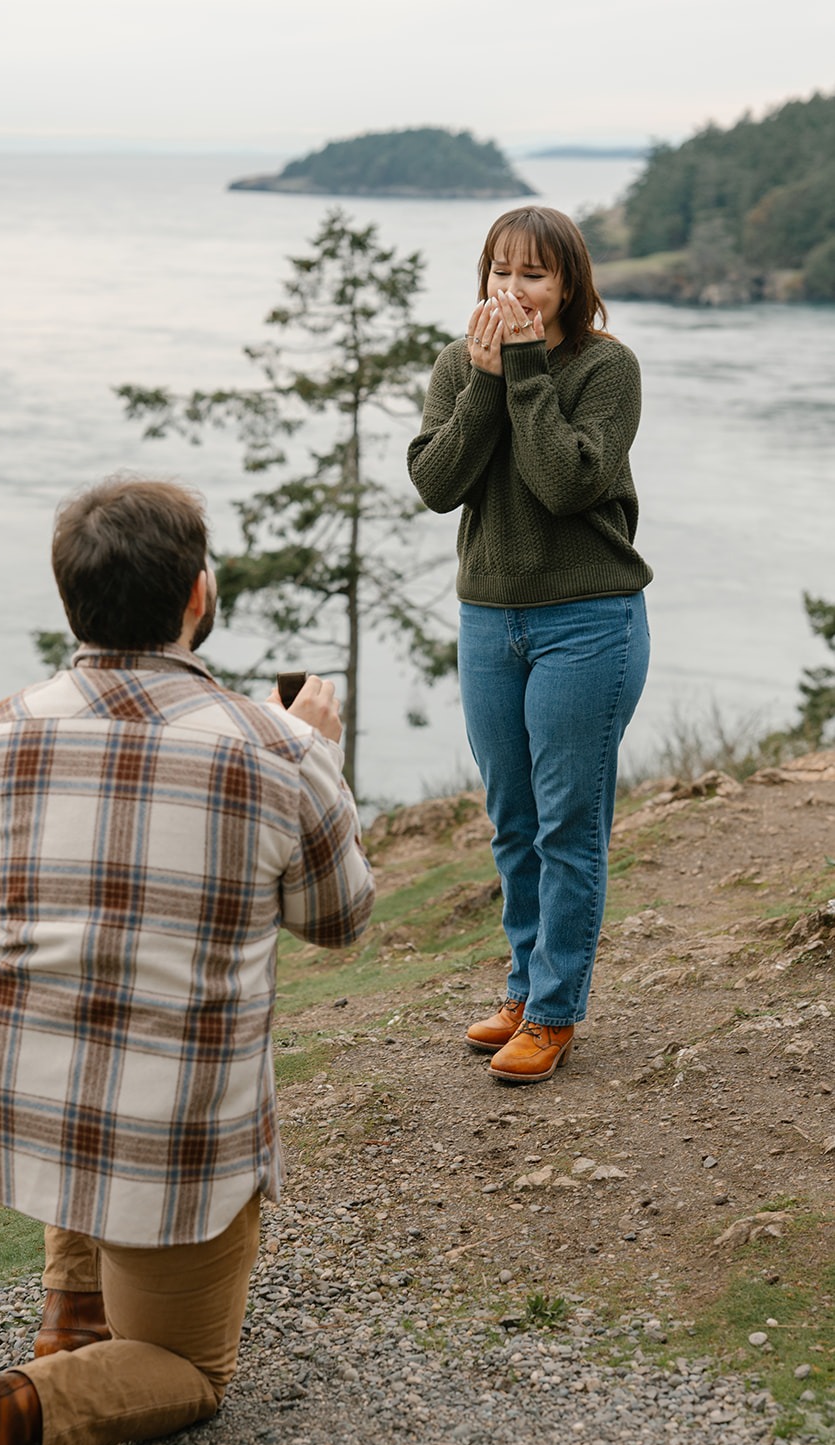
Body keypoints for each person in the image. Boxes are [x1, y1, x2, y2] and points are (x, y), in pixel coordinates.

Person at [0, 477, 375, 1445]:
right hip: (169, 1137)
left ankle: (74, 1320)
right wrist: (319, 755)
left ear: (68, 598)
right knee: (191, 1368)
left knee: (86, 1025)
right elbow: (339, 921)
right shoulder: (274, 748)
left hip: (11, 1098)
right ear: (197, 595)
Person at [407, 207, 652, 1086]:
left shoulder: (606, 368)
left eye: (533, 275)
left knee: (566, 826)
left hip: (588, 620)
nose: (512, 290)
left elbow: (563, 483)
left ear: (568, 284)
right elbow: (436, 483)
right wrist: (483, 380)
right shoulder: (456, 364)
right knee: (511, 823)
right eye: (499, 271)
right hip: (488, 618)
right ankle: (522, 989)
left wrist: (519, 370)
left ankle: (552, 1013)